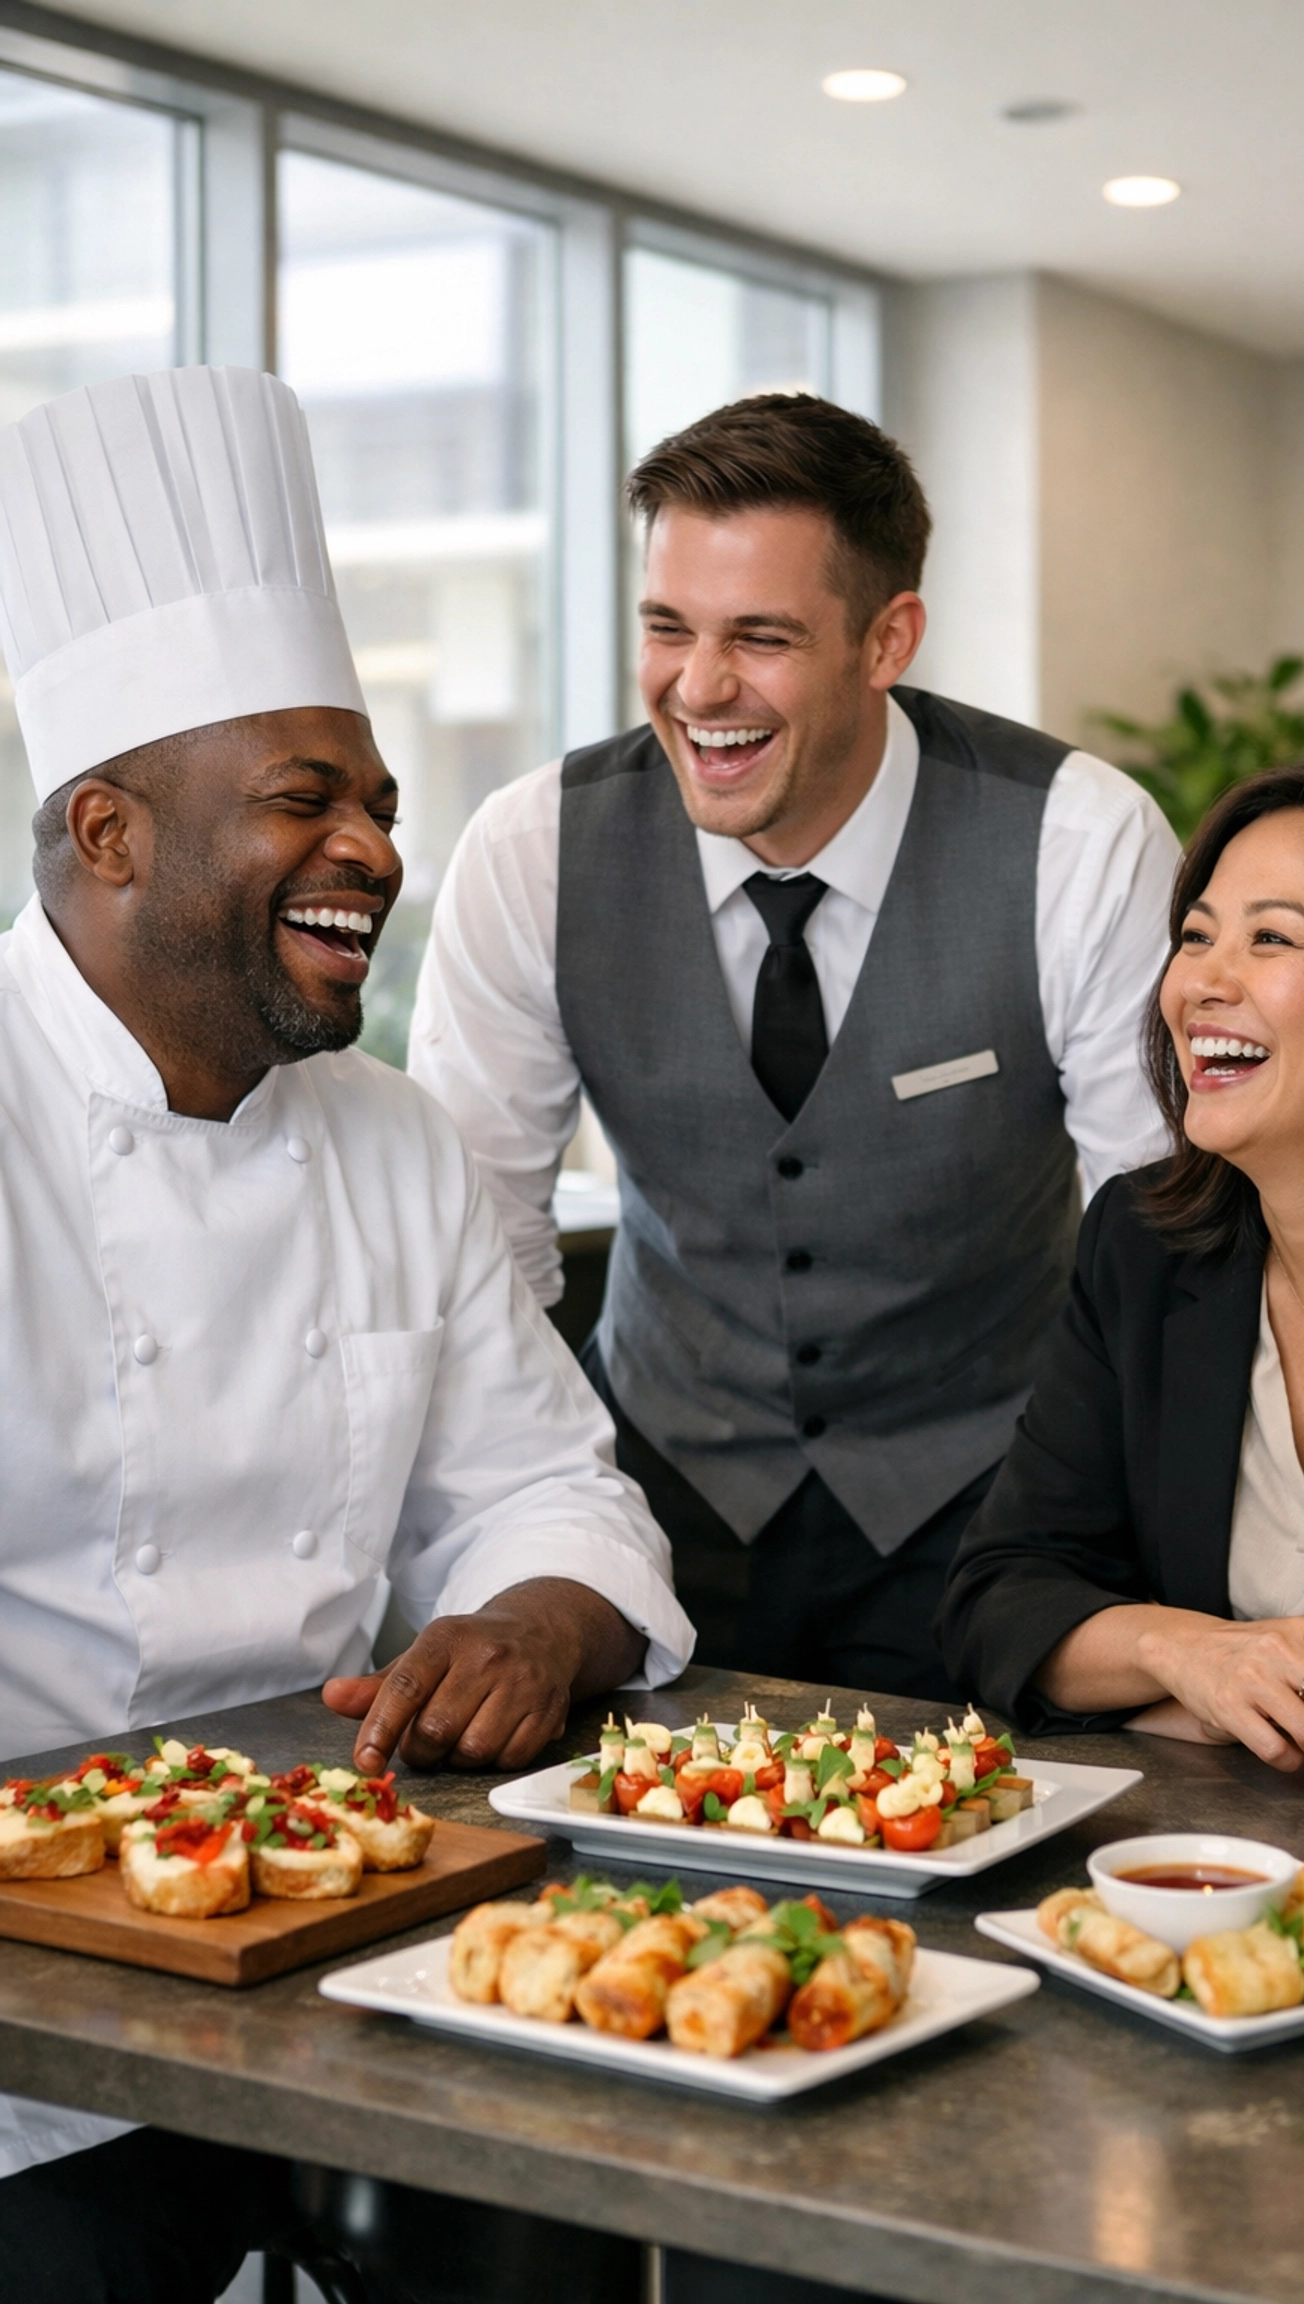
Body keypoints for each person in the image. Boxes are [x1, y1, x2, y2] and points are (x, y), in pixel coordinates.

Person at [0, 365, 691, 2298]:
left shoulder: (389, 1133)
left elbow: (549, 1485)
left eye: (378, 802)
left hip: (366, 1947)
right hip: (32, 2030)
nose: (377, 848)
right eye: (304, 799)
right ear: (109, 831)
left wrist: (536, 1619)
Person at [409, 392, 1179, 1700]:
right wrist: (523, 1545)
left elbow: (1155, 1239)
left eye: (760, 638)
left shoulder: (1077, 841)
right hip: (656, 1494)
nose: (700, 688)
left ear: (889, 640)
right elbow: (483, 1247)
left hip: (993, 1509)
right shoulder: (535, 850)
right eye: (668, 627)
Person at [940, 759, 1304, 1771]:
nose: (1201, 985)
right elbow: (999, 1600)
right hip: (1214, 1851)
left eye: (1271, 939)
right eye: (1196, 937)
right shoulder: (1144, 1244)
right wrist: (1184, 1653)